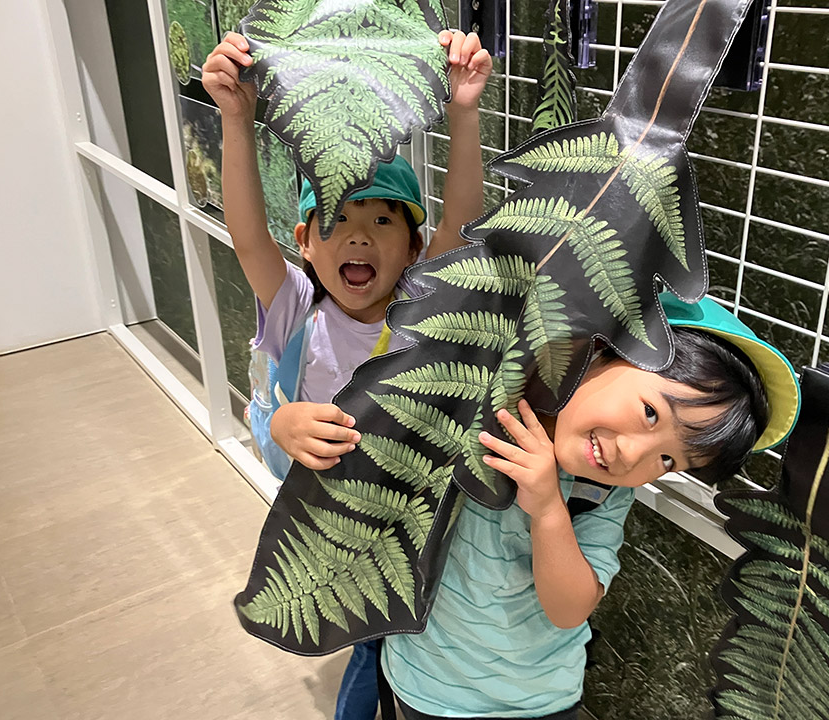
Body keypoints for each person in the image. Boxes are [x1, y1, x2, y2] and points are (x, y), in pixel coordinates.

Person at [202, 28, 493, 720]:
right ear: (304, 241)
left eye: (384, 220)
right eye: (335, 218)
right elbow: (246, 236)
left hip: (413, 518)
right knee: (366, 644)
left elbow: (462, 224)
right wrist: (236, 120)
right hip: (333, 521)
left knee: (395, 640)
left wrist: (465, 113)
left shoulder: (425, 304)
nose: (359, 235)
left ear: (415, 247)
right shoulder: (295, 308)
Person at [369, 294, 800, 719]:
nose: (633, 455)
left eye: (668, 460)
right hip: (427, 683)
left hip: (541, 698)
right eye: (651, 413)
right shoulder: (471, 410)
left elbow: (570, 610)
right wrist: (321, 433)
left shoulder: (603, 493)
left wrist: (548, 510)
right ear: (603, 351)